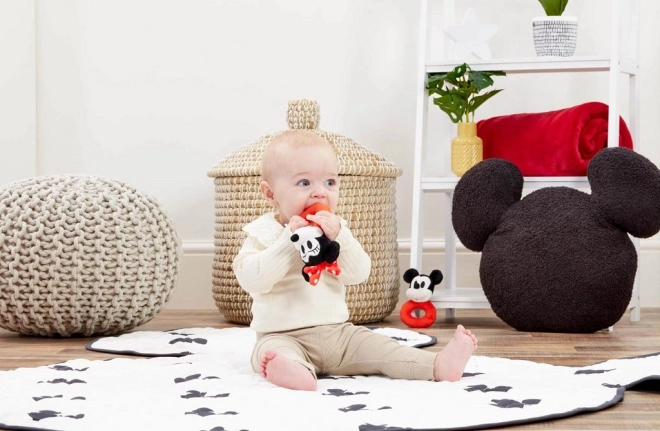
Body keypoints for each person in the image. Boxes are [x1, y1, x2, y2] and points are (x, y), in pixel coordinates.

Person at [232, 129, 478, 391]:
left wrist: (341, 238)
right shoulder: (263, 233)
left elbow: (359, 273)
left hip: (339, 335)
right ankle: (296, 371)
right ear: (270, 194)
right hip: (282, 336)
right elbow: (252, 279)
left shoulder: (335, 230)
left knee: (382, 347)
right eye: (304, 183)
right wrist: (288, 241)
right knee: (269, 353)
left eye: (329, 182)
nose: (320, 193)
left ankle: (437, 365)